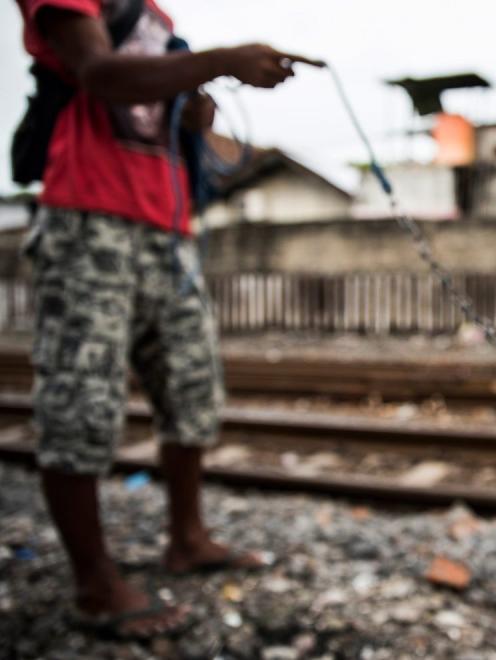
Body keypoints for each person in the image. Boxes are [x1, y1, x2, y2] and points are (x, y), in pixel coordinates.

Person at [13, 0, 312, 639]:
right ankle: (95, 585)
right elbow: (100, 74)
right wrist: (226, 60)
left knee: (193, 393)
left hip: (168, 231)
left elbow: (164, 116)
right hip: (87, 217)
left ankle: (188, 537)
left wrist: (198, 104)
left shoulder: (157, 18)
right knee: (80, 406)